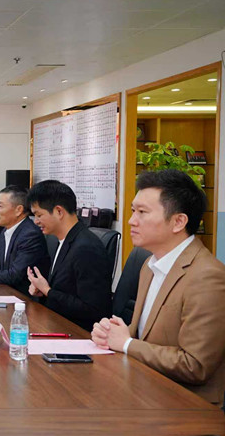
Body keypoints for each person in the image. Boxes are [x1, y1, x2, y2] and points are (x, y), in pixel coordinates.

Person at [92, 170, 225, 404]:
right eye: (133, 210)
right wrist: (114, 333)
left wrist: (126, 343)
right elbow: (146, 335)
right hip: (143, 388)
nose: (132, 220)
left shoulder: (207, 276)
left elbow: (194, 365)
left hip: (185, 405)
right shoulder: (149, 264)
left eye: (142, 212)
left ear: (178, 222)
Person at [25, 180, 112, 331]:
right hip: (57, 324)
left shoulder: (86, 248)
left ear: (59, 212)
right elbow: (66, 291)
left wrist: (48, 291)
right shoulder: (62, 240)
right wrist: (43, 291)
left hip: (78, 333)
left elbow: (93, 309)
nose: (36, 221)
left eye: (39, 215)